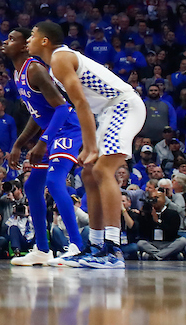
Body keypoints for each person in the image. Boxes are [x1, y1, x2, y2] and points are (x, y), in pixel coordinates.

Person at [30, 20, 146, 269]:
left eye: (32, 35)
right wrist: (89, 145)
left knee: (103, 170)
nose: (28, 39)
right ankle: (94, 247)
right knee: (89, 173)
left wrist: (90, 146)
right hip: (108, 112)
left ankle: (113, 250)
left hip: (123, 105)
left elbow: (81, 104)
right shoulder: (54, 67)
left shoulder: (61, 58)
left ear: (44, 41)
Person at [3, 27, 86, 267]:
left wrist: (43, 141)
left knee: (54, 181)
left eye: (11, 39)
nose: (4, 42)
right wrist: (19, 143)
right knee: (32, 186)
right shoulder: (17, 73)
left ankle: (77, 246)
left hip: (68, 127)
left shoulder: (35, 69)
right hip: (51, 130)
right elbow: (38, 113)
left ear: (22, 47)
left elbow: (60, 108)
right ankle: (42, 249)